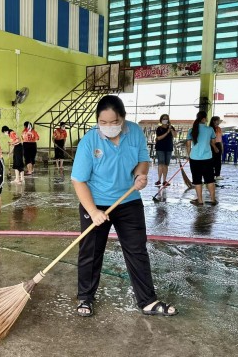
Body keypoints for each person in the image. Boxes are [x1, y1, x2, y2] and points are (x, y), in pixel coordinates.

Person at [71, 95, 177, 318]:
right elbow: (78, 180)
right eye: (103, 122)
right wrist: (93, 211)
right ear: (97, 120)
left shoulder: (135, 132)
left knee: (137, 250)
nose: (109, 127)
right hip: (96, 201)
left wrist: (141, 174)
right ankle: (85, 296)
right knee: (90, 251)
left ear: (123, 118)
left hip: (128, 202)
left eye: (114, 122)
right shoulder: (90, 141)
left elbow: (143, 160)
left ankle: (147, 300)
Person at [186, 111, 218, 206]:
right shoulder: (210, 129)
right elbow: (213, 141)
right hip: (207, 158)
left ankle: (200, 201)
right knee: (210, 180)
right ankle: (213, 200)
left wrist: (188, 155)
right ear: (203, 119)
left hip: (194, 158)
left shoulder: (191, 130)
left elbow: (188, 145)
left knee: (197, 180)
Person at [154, 114, 176, 186]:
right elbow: (159, 138)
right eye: (163, 119)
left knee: (166, 165)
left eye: (166, 119)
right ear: (161, 120)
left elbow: (175, 135)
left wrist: (171, 129)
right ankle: (159, 180)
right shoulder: (159, 128)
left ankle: (164, 180)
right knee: (161, 164)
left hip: (168, 148)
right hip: (160, 148)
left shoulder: (171, 127)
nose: (165, 120)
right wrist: (167, 132)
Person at [209, 116, 224, 180]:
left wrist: (221, 146)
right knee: (212, 160)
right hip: (211, 145)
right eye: (217, 120)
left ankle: (217, 174)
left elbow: (220, 139)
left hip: (218, 144)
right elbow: (209, 139)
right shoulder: (210, 129)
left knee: (218, 160)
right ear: (214, 121)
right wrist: (214, 147)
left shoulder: (219, 129)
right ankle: (211, 174)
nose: (218, 122)